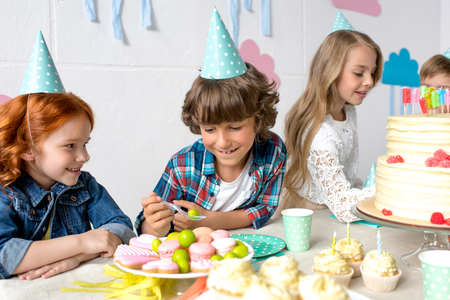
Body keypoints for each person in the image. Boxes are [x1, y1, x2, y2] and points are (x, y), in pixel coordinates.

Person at [135, 7, 286, 237]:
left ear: (258, 119)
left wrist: (209, 220)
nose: (223, 142)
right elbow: (147, 229)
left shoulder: (273, 151)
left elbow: (265, 208)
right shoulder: (182, 166)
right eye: (210, 129)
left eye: (235, 127)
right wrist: (157, 224)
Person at [0, 31, 135, 280]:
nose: (84, 156)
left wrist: (77, 258)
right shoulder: (6, 192)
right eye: (70, 145)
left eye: (85, 144)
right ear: (28, 147)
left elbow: (123, 229)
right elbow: (3, 256)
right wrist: (83, 243)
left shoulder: (85, 185)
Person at [278, 13, 384, 223]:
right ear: (331, 71)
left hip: (329, 208)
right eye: (359, 73)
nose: (370, 81)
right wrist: (393, 188)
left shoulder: (348, 109)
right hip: (313, 214)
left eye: (371, 72)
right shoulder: (321, 134)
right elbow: (343, 206)